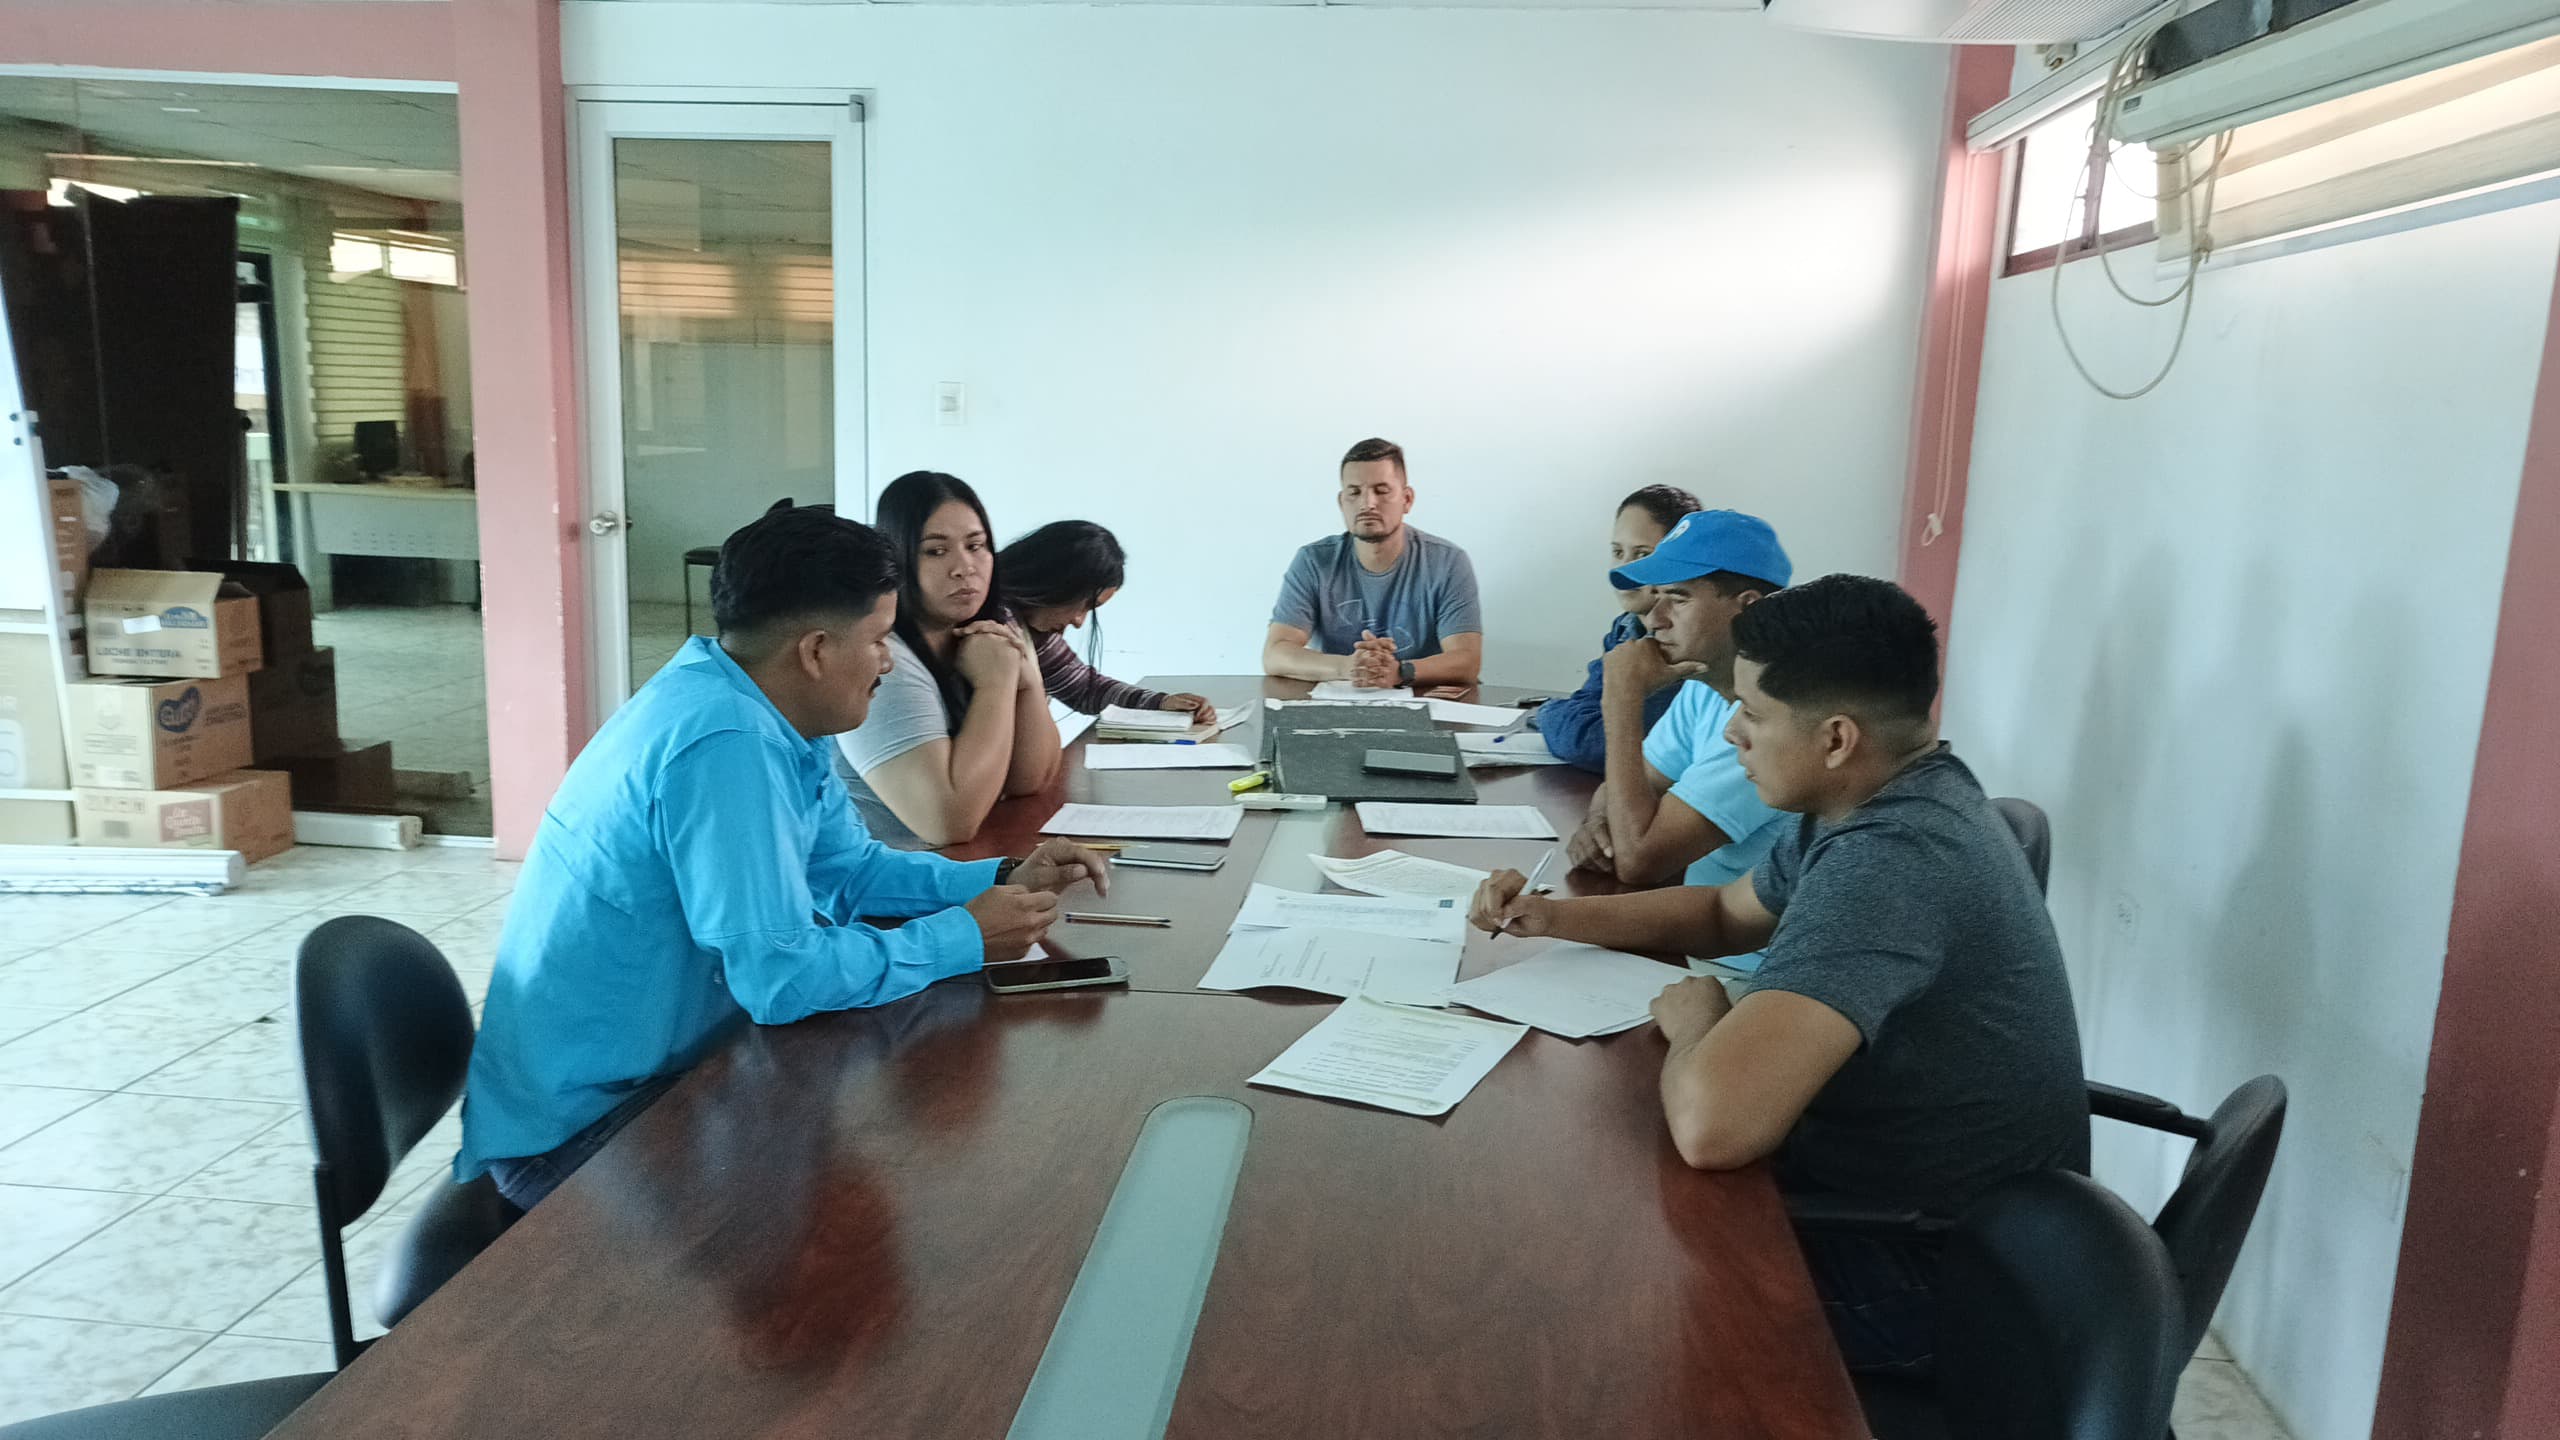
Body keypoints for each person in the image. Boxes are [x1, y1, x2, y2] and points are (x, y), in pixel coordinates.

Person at [1468, 574, 2088, 1374]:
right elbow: (1725, 913)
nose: (1732, 734)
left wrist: (1699, 1026)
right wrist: (1552, 917)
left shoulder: (1892, 863)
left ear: (1836, 739)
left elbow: (1713, 1126)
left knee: (1566, 1291)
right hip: (1912, 1213)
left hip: (1925, 1278)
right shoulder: (1887, 795)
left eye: (1753, 715)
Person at [456, 505, 1112, 1212]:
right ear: (816, 651)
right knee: (939, 1185)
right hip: (587, 1126)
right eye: (879, 640)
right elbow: (782, 979)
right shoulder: (725, 743)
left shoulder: (764, 706)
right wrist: (964, 936)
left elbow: (850, 872)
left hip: (679, 1070)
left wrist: (1001, 876)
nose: (888, 662)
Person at [1565, 509, 1791, 895]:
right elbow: (1637, 782)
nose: (1654, 620)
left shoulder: (1773, 715)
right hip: (1699, 921)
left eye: (1677, 598)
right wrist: (1599, 822)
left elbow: (1639, 860)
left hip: (1734, 936)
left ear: (1748, 607)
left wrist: (1621, 698)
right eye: (1656, 596)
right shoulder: (1704, 683)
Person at [834, 472, 1063, 847]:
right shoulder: (884, 661)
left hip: (955, 865)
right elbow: (948, 823)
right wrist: (996, 683)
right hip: (890, 877)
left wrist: (1027, 680)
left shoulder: (984, 634)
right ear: (898, 558)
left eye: (976, 546)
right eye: (935, 551)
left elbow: (1030, 779)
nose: (965, 567)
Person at [1263, 437, 1482, 690]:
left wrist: (1400, 671)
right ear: (1341, 502)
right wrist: (1348, 667)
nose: (1367, 503)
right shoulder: (1313, 561)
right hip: (1341, 700)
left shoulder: (1447, 562)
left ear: (1407, 499)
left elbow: (1467, 660)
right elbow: (1275, 654)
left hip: (1425, 700)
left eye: (1381, 490)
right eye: (1354, 492)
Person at [1529, 484, 1703, 773]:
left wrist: (1547, 710)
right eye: (1618, 552)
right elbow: (1589, 705)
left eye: (1642, 554)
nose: (1623, 569)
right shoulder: (1626, 627)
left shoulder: (1686, 642)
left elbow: (1594, 743)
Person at [998, 520, 1216, 726]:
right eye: (1082, 605)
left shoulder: (1032, 630)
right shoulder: (998, 628)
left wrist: (1161, 703)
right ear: (1054, 584)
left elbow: (1084, 689)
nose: (1078, 622)